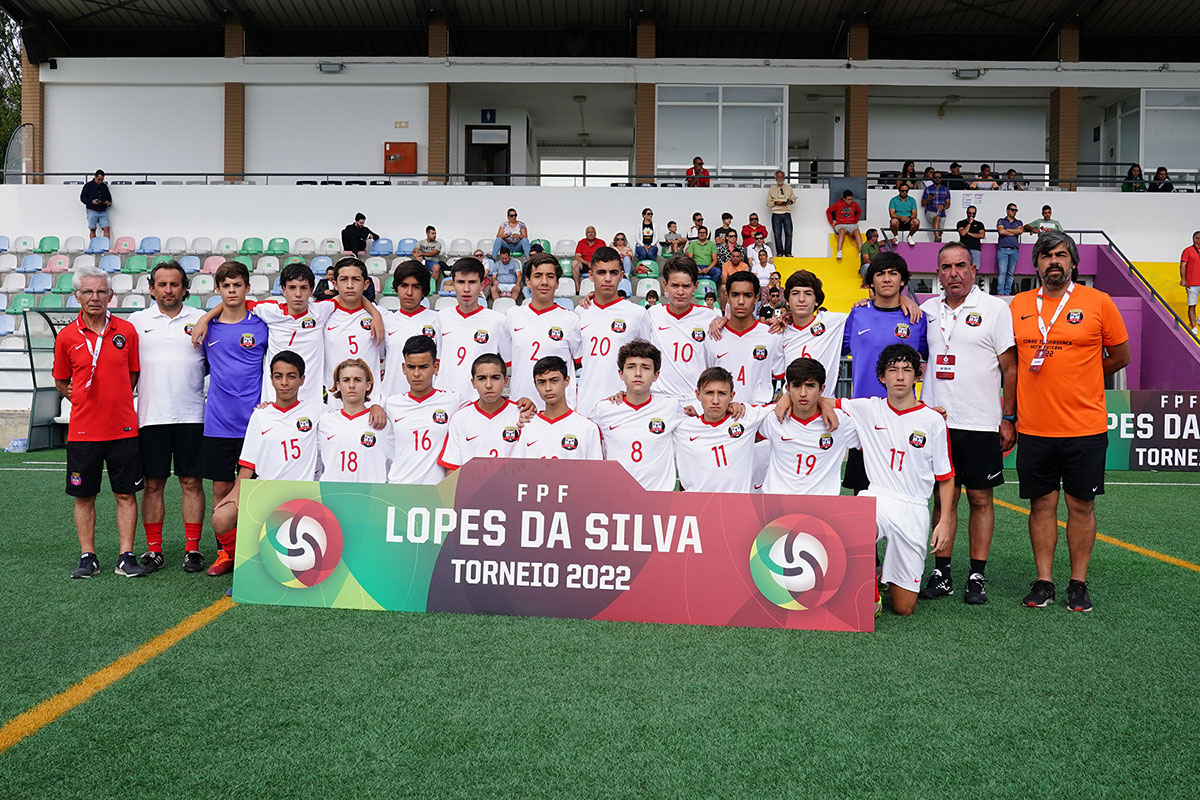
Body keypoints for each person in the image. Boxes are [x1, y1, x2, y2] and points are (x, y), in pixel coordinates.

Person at [1009, 231, 1130, 612]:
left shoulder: (1099, 302)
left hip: (1085, 427)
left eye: (1061, 255)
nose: (1054, 262)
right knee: (1041, 506)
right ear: (1037, 264)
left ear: (1073, 262)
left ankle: (1078, 583)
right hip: (1034, 427)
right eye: (1046, 256)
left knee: (1081, 506)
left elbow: (1120, 355)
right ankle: (1044, 581)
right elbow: (1010, 363)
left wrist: (1086, 376)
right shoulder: (1019, 304)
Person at [917, 243, 1017, 605]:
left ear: (973, 270)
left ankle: (977, 574)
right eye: (946, 267)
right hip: (935, 422)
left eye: (961, 266)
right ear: (938, 272)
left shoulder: (995, 310)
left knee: (979, 498)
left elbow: (1010, 368)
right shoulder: (926, 310)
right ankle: (941, 573)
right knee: (943, 501)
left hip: (980, 421)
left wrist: (1008, 417)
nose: (953, 273)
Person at [837, 344, 955, 616]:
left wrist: (945, 521)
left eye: (906, 370)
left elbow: (946, 477)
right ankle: (870, 591)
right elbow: (824, 402)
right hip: (877, 497)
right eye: (893, 370)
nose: (900, 376)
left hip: (913, 507)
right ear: (882, 377)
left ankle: (885, 579)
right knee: (855, 523)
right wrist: (784, 399)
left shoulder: (933, 420)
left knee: (904, 608)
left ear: (917, 376)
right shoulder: (868, 409)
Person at [54, 265, 145, 579]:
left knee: (125, 494)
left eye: (101, 291)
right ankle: (88, 556)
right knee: (84, 495)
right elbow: (61, 380)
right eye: (88, 292)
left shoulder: (127, 331)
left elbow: (133, 374)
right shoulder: (66, 337)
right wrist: (81, 398)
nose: (95, 297)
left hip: (123, 428)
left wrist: (114, 397)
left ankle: (126, 555)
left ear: (111, 295)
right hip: (82, 432)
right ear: (77, 296)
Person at [129, 261, 207, 573]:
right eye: (162, 284)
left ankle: (192, 549)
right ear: (151, 288)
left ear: (185, 288)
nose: (168, 290)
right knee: (153, 484)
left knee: (191, 481)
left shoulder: (202, 319)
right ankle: (153, 550)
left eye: (174, 284)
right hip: (151, 416)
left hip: (192, 415)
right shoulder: (136, 322)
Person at [196, 260, 268, 576]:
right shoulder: (208, 328)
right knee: (221, 487)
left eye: (238, 285)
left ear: (247, 288)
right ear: (218, 289)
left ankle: (253, 547)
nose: (232, 290)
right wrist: (206, 316)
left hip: (254, 424)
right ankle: (225, 552)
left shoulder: (261, 324)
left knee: (256, 488)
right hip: (218, 422)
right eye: (226, 285)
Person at [210, 351, 321, 546]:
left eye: (291, 376)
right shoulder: (260, 415)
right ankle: (235, 557)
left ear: (302, 380)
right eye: (279, 376)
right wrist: (236, 493)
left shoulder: (318, 411)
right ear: (271, 379)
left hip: (304, 492)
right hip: (266, 492)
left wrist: (375, 408)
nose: (284, 382)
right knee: (220, 518)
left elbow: (350, 412)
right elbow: (248, 464)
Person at [842, 252, 929, 494]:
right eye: (880, 274)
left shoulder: (917, 318)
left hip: (903, 419)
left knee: (904, 497)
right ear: (871, 283)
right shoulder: (857, 315)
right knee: (862, 501)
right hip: (865, 420)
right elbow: (828, 345)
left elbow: (933, 358)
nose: (887, 278)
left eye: (893, 273)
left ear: (903, 281)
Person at [586, 339, 684, 491]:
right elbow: (579, 432)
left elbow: (703, 424)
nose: (638, 373)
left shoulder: (671, 407)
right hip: (617, 500)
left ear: (656, 375)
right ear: (621, 373)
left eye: (645, 368)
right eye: (631, 367)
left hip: (659, 500)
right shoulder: (604, 409)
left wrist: (731, 407)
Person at [761, 357, 857, 497]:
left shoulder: (840, 422)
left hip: (821, 509)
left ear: (822, 389)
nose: (803, 393)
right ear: (787, 388)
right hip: (777, 506)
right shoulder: (773, 418)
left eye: (810, 386)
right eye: (796, 386)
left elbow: (874, 440)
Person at [575, 247, 651, 413]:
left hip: (623, 403)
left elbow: (649, 362)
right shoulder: (580, 312)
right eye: (601, 272)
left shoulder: (637, 314)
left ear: (621, 276)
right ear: (591, 275)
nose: (608, 278)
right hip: (586, 402)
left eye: (614, 272)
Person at [674, 367, 772, 493]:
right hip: (696, 507)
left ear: (732, 396)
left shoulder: (744, 418)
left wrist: (786, 398)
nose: (715, 401)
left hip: (735, 508)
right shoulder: (683, 426)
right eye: (709, 393)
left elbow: (781, 407)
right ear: (698, 394)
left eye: (722, 393)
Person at [505, 253, 582, 410]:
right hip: (521, 408)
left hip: (559, 411)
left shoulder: (571, 320)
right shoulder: (513, 316)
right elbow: (507, 359)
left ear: (557, 282)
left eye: (550, 276)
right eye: (538, 276)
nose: (544, 282)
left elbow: (579, 364)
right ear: (527, 281)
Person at [384, 335, 462, 485]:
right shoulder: (391, 404)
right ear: (403, 368)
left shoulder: (455, 401)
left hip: (436, 490)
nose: (417, 374)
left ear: (436, 367)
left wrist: (520, 404)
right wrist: (375, 406)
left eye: (423, 367)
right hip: (398, 487)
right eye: (411, 367)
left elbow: (486, 409)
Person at [645, 255, 720, 402]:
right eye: (675, 285)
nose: (680, 292)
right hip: (660, 399)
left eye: (686, 286)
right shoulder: (652, 314)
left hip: (696, 401)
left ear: (695, 286)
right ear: (665, 285)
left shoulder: (709, 317)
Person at [437, 354, 524, 470]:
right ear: (473, 382)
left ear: (505, 381)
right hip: (472, 487)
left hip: (511, 487)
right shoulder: (460, 418)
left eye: (495, 377)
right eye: (482, 378)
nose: (488, 385)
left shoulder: (522, 415)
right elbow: (452, 468)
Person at [438, 257, 509, 398]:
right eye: (460, 282)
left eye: (472, 282)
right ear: (452, 284)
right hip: (445, 400)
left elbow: (507, 363)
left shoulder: (497, 321)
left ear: (482, 285)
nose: (466, 289)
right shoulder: (442, 317)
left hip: (479, 401)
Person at [706, 271, 781, 404]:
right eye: (735, 295)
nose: (741, 301)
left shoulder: (772, 335)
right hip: (722, 415)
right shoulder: (712, 336)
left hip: (758, 415)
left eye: (747, 295)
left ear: (756, 298)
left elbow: (782, 378)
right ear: (727, 297)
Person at [318, 359, 392, 483]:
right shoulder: (325, 420)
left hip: (371, 497)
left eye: (357, 380)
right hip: (332, 496)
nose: (351, 385)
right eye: (346, 380)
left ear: (368, 385)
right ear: (338, 386)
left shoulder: (381, 422)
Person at [778, 270, 848, 398]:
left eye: (808, 293)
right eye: (795, 293)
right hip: (792, 410)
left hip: (826, 408)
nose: (801, 299)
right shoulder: (779, 332)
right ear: (787, 301)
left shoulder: (834, 322)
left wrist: (864, 302)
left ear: (817, 301)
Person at [519, 356, 602, 460]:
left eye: (554, 380)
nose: (548, 388)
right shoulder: (526, 426)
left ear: (567, 381)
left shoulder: (588, 428)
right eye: (541, 382)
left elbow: (594, 473)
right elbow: (517, 470)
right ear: (535, 385)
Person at [379, 260, 440, 399]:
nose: (409, 292)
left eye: (416, 287)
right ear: (396, 288)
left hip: (428, 401)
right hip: (391, 398)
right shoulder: (386, 322)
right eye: (404, 286)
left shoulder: (438, 321)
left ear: (424, 290)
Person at [995, 203, 1024, 296]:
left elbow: (1020, 231)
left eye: (1016, 210)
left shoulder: (1019, 222)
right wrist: (1013, 232)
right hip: (1003, 250)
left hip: (1014, 250)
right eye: (1012, 210)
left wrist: (1007, 230)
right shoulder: (1001, 220)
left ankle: (1007, 292)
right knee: (1002, 272)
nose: (1014, 212)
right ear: (1007, 210)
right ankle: (1000, 292)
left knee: (1010, 273)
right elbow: (1001, 231)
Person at [826, 189, 863, 260]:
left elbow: (859, 212)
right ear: (844, 199)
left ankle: (861, 252)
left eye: (851, 199)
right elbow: (828, 211)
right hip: (840, 224)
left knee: (857, 232)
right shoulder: (838, 204)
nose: (850, 201)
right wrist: (832, 223)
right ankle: (839, 251)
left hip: (851, 225)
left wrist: (855, 221)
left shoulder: (855, 205)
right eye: (848, 199)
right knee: (842, 231)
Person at [767, 170, 796, 256]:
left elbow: (793, 200)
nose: (780, 179)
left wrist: (789, 202)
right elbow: (768, 202)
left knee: (789, 234)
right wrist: (776, 203)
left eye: (781, 177)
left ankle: (788, 252)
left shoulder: (789, 188)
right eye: (778, 177)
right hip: (776, 213)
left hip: (786, 212)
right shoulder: (771, 189)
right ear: (776, 178)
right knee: (777, 235)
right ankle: (779, 252)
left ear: (784, 178)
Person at [80, 169, 113, 240]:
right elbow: (82, 198)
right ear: (95, 177)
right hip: (92, 210)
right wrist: (92, 202)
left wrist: (108, 203)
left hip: (102, 211)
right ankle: (93, 246)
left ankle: (106, 246)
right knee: (92, 229)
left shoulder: (104, 187)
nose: (100, 181)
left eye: (102, 180)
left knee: (106, 228)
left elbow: (109, 198)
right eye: (99, 179)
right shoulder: (88, 186)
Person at [921, 171, 952, 243]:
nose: (937, 179)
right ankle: (937, 237)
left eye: (939, 177)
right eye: (935, 177)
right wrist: (928, 199)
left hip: (942, 213)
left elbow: (948, 204)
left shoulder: (946, 190)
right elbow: (923, 203)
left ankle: (936, 242)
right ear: (932, 178)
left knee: (939, 232)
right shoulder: (927, 189)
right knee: (937, 218)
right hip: (930, 211)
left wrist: (943, 207)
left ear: (941, 179)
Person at [1180, 230, 1200, 335]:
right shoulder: (1187, 251)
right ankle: (1193, 326)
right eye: (1199, 238)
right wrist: (1183, 279)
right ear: (1194, 239)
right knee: (1192, 305)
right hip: (1192, 283)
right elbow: (1183, 265)